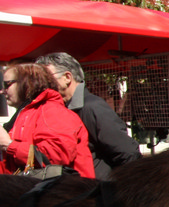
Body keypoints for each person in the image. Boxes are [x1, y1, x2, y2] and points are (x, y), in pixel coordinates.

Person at [36, 52, 141, 180]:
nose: (41, 84)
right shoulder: (60, 108)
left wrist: (115, 186)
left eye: (46, 78)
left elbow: (128, 152)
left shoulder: (91, 107)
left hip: (98, 187)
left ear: (67, 77)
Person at [0, 63, 95, 178]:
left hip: (64, 188)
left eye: (7, 85)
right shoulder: (26, 114)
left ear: (26, 83)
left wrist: (8, 144)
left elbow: (56, 156)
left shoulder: (53, 112)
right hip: (33, 187)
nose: (2, 91)